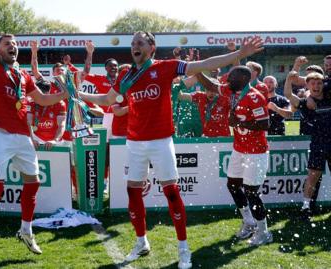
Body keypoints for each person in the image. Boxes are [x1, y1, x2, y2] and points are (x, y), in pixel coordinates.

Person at [79, 31, 263, 267]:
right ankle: (141, 242)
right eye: (133, 43)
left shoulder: (166, 67)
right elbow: (107, 100)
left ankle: (183, 248)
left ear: (151, 47)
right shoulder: (126, 74)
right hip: (134, 142)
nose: (135, 46)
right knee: (133, 192)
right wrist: (78, 96)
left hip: (160, 141)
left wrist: (239, 53)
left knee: (171, 193)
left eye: (140, 43)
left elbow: (204, 64)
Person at [0, 0, 68, 263]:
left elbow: (43, 100)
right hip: (0, 134)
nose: (13, 46)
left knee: (32, 183)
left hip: (24, 136)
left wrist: (66, 93)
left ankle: (26, 230)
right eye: (6, 44)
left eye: (15, 44)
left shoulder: (24, 75)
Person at [198, 66, 272, 246]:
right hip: (239, 148)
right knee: (232, 185)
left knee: (251, 192)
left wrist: (240, 121)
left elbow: (265, 124)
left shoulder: (254, 96)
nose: (228, 78)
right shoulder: (231, 91)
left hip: (256, 151)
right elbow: (211, 84)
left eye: (232, 76)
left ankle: (264, 232)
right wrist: (196, 69)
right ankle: (249, 221)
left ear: (243, 79)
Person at [284, 71, 331, 220]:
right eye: (313, 84)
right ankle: (306, 207)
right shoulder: (305, 103)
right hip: (318, 144)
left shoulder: (329, 97)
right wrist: (288, 79)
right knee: (313, 176)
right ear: (308, 85)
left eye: (319, 83)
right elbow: (288, 95)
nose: (316, 86)